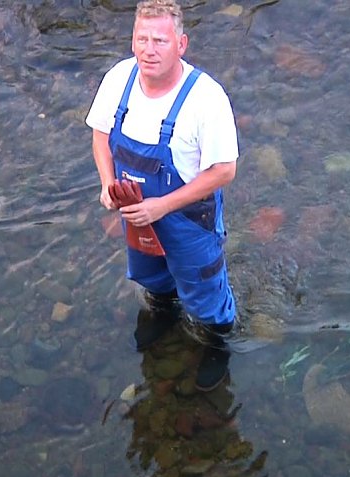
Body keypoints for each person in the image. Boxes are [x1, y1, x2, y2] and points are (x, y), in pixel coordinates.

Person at [85, 0, 238, 391]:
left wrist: (163, 205)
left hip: (188, 216)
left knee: (205, 294)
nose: (149, 49)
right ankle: (164, 316)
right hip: (136, 210)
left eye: (159, 40)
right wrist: (107, 184)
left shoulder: (206, 99)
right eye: (141, 39)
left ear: (181, 44)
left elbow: (224, 171)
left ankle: (218, 346)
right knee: (151, 277)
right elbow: (101, 135)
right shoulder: (119, 78)